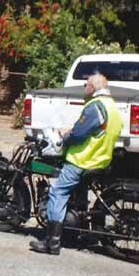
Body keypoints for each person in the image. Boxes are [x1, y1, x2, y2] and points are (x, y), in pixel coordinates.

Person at [30, 73, 122, 256]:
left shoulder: (95, 107)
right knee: (79, 193)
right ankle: (77, 232)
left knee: (58, 192)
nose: (84, 88)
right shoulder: (111, 106)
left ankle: (52, 242)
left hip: (83, 160)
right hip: (101, 160)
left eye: (86, 85)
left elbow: (79, 134)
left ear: (93, 88)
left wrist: (63, 138)